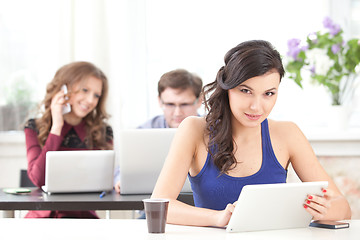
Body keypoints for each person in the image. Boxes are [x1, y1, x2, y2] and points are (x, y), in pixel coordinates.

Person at [151, 40, 351, 227]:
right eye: (245, 91)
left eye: (268, 94)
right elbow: (161, 205)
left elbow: (343, 207)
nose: (256, 106)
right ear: (227, 87)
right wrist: (218, 217)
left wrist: (326, 210)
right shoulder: (193, 130)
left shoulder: (288, 133)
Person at [24, 61, 113, 218]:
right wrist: (57, 126)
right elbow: (38, 179)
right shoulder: (34, 127)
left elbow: (103, 183)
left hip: (83, 217)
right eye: (84, 90)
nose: (91, 100)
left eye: (96, 95)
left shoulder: (102, 132)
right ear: (63, 89)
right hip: (43, 218)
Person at [114, 69, 203, 193]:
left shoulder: (213, 130)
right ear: (159, 101)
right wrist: (120, 180)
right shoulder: (146, 131)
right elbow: (123, 170)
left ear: (199, 101)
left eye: (184, 104)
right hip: (156, 206)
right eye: (170, 104)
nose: (177, 113)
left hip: (201, 207)